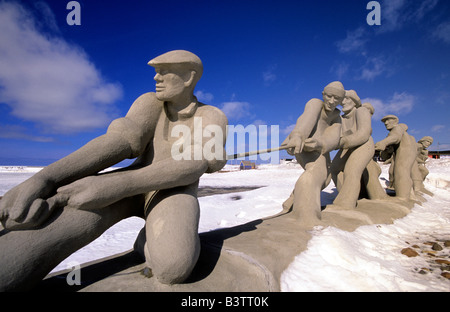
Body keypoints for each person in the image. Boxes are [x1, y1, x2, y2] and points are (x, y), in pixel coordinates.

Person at [0, 50, 228, 290]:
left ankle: (146, 240)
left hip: (171, 191)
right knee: (31, 245)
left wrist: (112, 186)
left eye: (164, 72)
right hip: (129, 188)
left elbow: (192, 165)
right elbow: (119, 141)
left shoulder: (211, 116)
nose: (156, 78)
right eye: (155, 72)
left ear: (189, 77)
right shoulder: (150, 103)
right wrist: (45, 179)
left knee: (173, 267)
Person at [281, 81, 343, 228]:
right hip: (303, 145)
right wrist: (297, 136)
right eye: (329, 96)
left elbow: (333, 137)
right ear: (323, 94)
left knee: (326, 179)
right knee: (316, 173)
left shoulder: (336, 117)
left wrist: (320, 143)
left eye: (337, 99)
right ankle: (306, 216)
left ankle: (291, 201)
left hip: (318, 148)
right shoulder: (315, 104)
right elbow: (305, 120)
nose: (332, 101)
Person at [328, 90, 376, 209]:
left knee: (352, 169)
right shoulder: (341, 118)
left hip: (364, 145)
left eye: (347, 99)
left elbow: (364, 134)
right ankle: (346, 195)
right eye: (342, 100)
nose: (343, 102)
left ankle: (346, 203)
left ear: (355, 101)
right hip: (348, 146)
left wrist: (344, 141)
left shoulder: (361, 111)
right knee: (334, 169)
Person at [374, 115, 417, 201]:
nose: (386, 123)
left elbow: (395, 137)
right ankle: (410, 195)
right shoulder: (398, 131)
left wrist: (384, 142)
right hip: (406, 154)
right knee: (403, 173)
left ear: (395, 121)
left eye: (388, 120)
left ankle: (402, 197)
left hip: (404, 154)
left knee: (401, 173)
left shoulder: (397, 128)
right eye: (384, 122)